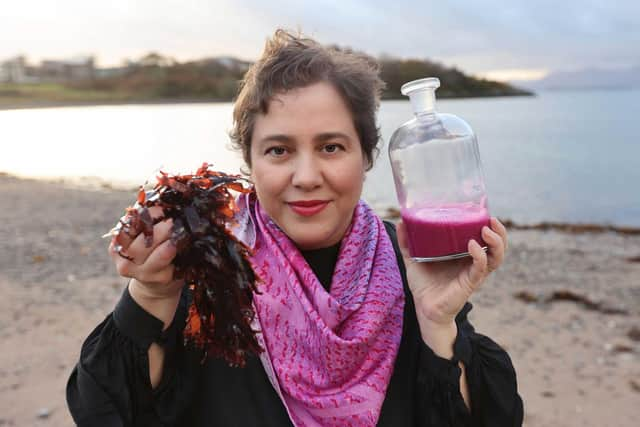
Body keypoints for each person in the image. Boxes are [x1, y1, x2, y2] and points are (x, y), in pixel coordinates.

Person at [66, 29, 523, 427]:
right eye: (279, 151)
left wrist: (438, 321)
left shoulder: (408, 262)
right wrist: (151, 296)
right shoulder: (206, 263)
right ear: (249, 162)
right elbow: (109, 411)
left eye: (330, 147)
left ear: (365, 158)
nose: (305, 177)